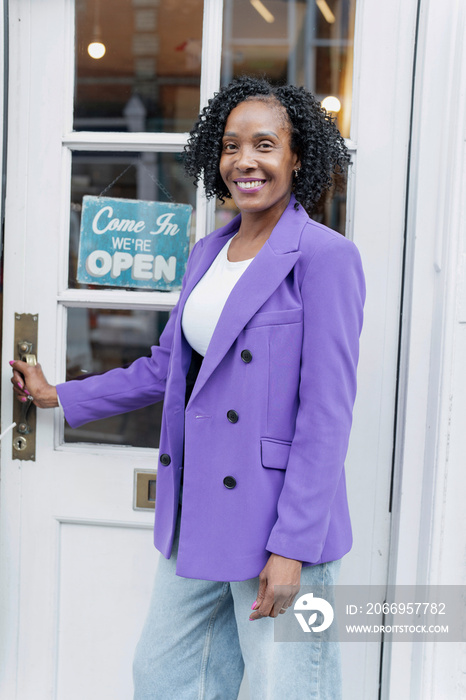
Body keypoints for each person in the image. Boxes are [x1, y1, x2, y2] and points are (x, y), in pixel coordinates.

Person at [11, 76, 365, 699]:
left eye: (264, 145)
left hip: (279, 523)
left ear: (297, 156)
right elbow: (164, 368)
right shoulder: (208, 251)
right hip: (198, 513)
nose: (245, 161)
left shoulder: (324, 256)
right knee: (164, 675)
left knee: (289, 689)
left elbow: (326, 414)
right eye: (231, 146)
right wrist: (61, 396)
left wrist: (293, 548)